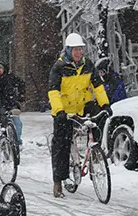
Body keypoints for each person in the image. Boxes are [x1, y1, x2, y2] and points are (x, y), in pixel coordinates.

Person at [47, 33, 112, 198]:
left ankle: (95, 152)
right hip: (65, 111)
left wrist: (105, 104)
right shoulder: (59, 67)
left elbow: (97, 86)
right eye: (75, 50)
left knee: (100, 118)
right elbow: (53, 92)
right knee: (61, 145)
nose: (78, 53)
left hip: (83, 106)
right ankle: (58, 182)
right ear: (68, 50)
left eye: (80, 49)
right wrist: (59, 111)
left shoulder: (88, 65)